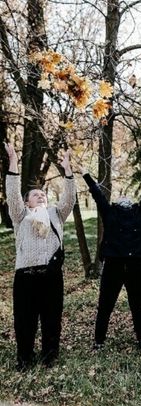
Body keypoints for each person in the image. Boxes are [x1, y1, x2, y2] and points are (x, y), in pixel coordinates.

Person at [4, 142, 76, 370]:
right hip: (25, 276)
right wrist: (13, 162)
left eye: (43, 194)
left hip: (51, 276)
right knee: (24, 321)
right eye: (35, 195)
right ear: (27, 202)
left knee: (51, 319)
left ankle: (49, 357)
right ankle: (24, 358)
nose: (41, 196)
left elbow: (69, 200)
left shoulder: (55, 214)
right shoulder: (21, 215)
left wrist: (68, 172)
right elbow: (12, 195)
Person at [82, 162, 141, 351]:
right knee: (105, 305)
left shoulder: (139, 212)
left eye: (127, 196)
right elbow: (97, 196)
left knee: (138, 305)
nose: (124, 197)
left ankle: (140, 339)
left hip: (136, 264)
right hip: (113, 264)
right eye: (121, 195)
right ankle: (98, 341)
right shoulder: (109, 212)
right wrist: (86, 175)